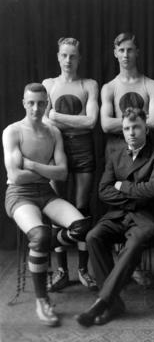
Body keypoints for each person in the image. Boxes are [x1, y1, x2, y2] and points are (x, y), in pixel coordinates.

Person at [2, 83, 94, 326]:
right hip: (19, 195)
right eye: (31, 103)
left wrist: (31, 165)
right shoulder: (12, 131)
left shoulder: (53, 132)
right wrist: (47, 171)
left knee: (83, 227)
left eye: (41, 103)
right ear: (24, 103)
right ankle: (42, 300)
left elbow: (62, 173)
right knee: (41, 235)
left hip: (45, 192)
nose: (36, 108)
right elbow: (16, 176)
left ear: (47, 104)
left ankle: (40, 245)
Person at [76, 107, 154, 327]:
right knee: (93, 236)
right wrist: (135, 193)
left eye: (136, 127)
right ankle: (114, 302)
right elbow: (103, 191)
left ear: (146, 128)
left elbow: (153, 191)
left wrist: (122, 185)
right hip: (118, 215)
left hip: (146, 217)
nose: (131, 132)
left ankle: (103, 301)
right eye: (126, 128)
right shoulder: (115, 156)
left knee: (136, 240)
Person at [101, 32, 154, 286]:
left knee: (140, 204)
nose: (126, 55)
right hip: (117, 150)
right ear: (115, 53)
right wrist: (137, 121)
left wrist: (126, 124)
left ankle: (133, 265)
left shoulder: (151, 85)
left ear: (137, 52)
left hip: (143, 150)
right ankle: (120, 265)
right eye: (121, 50)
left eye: (130, 50)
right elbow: (105, 124)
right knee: (117, 207)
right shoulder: (110, 87)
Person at [42, 37, 99, 291]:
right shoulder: (48, 84)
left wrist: (55, 115)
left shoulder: (89, 84)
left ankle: (84, 269)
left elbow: (90, 122)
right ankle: (62, 270)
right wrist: (58, 120)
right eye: (64, 55)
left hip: (84, 148)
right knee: (57, 209)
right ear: (58, 56)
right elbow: (45, 123)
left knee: (82, 208)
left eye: (73, 56)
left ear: (79, 58)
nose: (68, 60)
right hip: (56, 148)